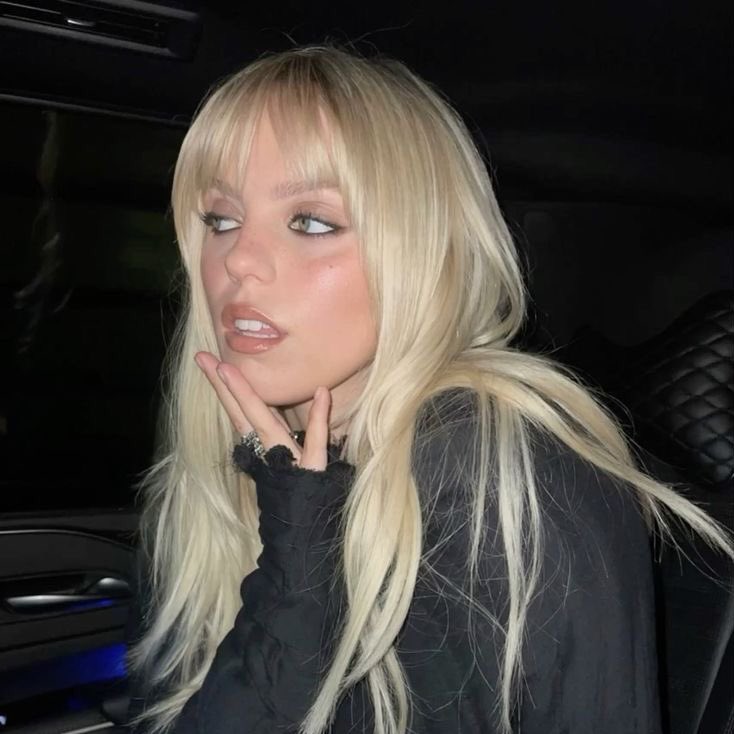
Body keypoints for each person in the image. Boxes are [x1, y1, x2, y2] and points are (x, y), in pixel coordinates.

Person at [123, 45, 733, 734]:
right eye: (220, 219)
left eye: (312, 221)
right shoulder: (218, 476)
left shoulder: (498, 479)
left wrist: (296, 578)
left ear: (422, 249)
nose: (237, 260)